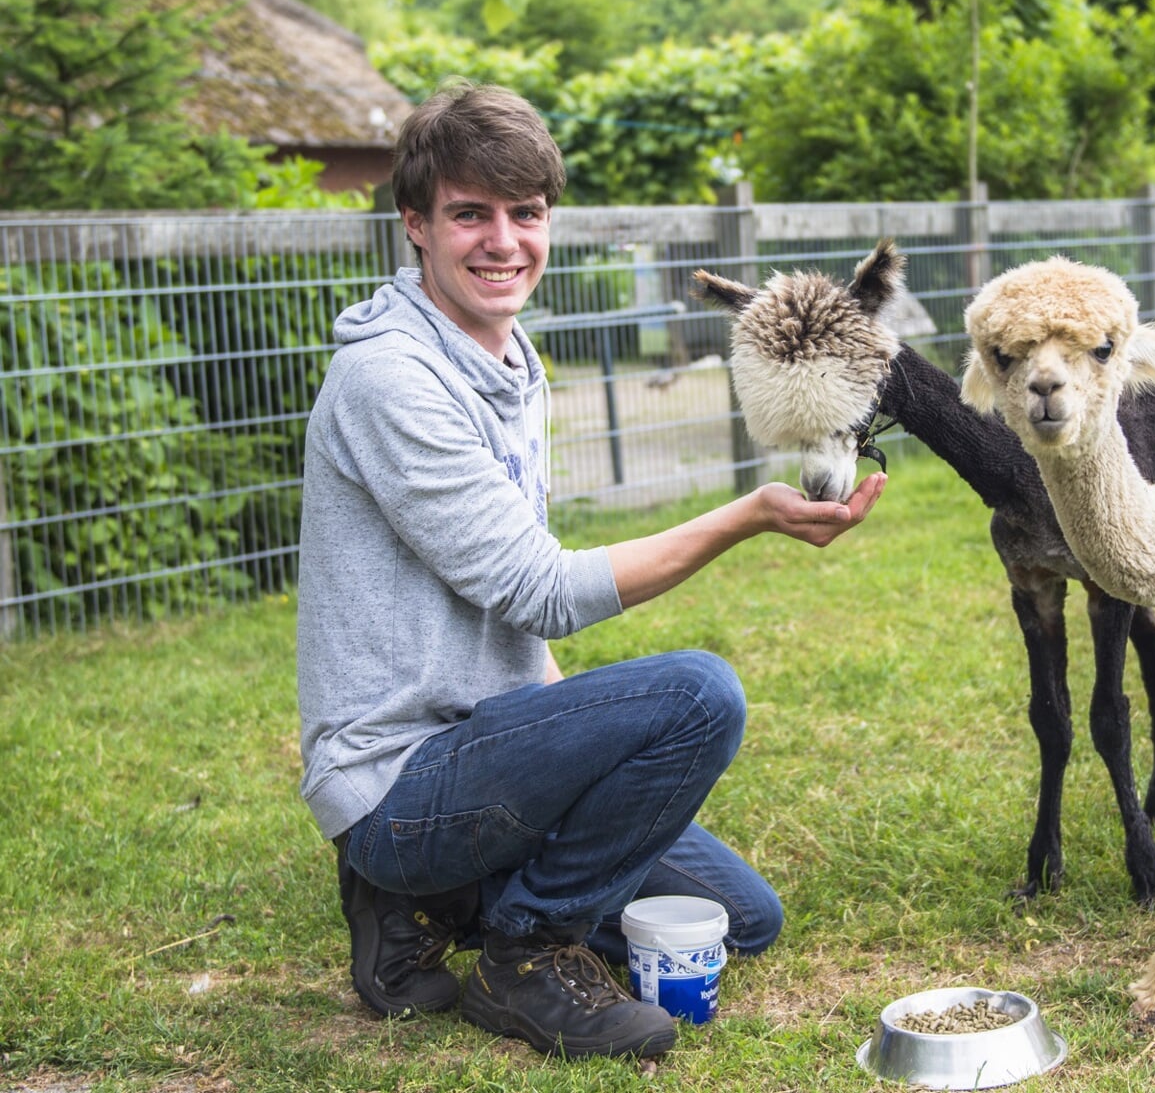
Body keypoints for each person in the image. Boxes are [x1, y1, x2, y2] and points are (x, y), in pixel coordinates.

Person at [296, 79, 885, 1061]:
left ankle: (441, 901)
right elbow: (541, 589)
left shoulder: (504, 355)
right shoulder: (390, 378)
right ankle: (518, 951)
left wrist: (565, 733)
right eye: (468, 214)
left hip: (482, 742)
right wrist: (748, 513)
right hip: (400, 782)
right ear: (415, 225)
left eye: (523, 214)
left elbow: (498, 590)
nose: (502, 241)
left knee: (740, 920)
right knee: (699, 694)